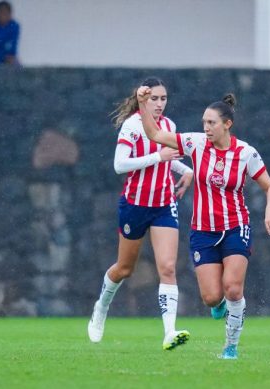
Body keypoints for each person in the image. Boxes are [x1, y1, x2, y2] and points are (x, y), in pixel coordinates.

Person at [137, 89, 270, 359]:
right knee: (212, 297)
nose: (206, 128)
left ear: (228, 124)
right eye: (204, 122)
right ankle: (220, 305)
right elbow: (155, 135)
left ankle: (230, 347)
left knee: (233, 288)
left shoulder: (246, 153)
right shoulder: (195, 143)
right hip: (203, 231)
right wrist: (143, 103)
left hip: (236, 226)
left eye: (211, 122)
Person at [87, 77, 194, 350]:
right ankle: (101, 308)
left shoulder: (169, 126)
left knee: (168, 268)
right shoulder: (132, 126)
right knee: (124, 269)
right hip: (135, 205)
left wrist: (187, 170)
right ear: (143, 99)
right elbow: (119, 165)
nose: (160, 104)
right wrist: (158, 158)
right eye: (154, 99)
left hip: (163, 205)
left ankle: (169, 332)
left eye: (163, 99)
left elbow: (170, 160)